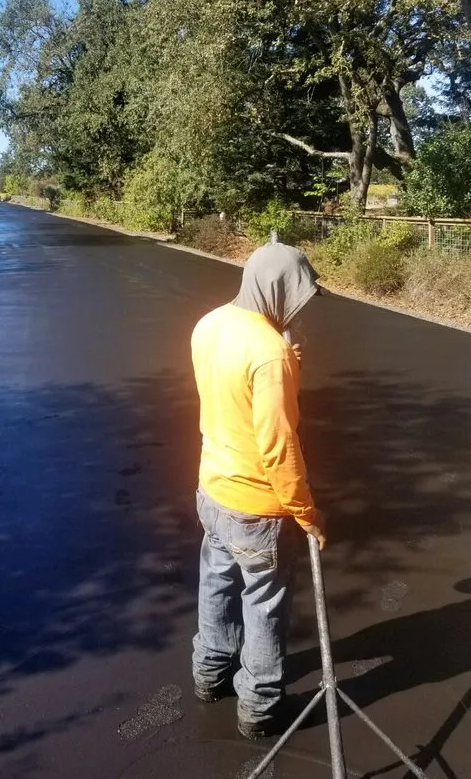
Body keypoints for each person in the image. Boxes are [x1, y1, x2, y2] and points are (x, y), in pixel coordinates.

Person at [190, 241, 326, 740]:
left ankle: (209, 675)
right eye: (297, 297)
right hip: (259, 508)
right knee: (264, 604)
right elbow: (278, 446)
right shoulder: (270, 353)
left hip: (213, 489)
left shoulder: (210, 323)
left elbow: (231, 385)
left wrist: (282, 361)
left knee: (217, 583)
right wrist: (306, 513)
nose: (299, 309)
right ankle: (260, 708)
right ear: (279, 291)